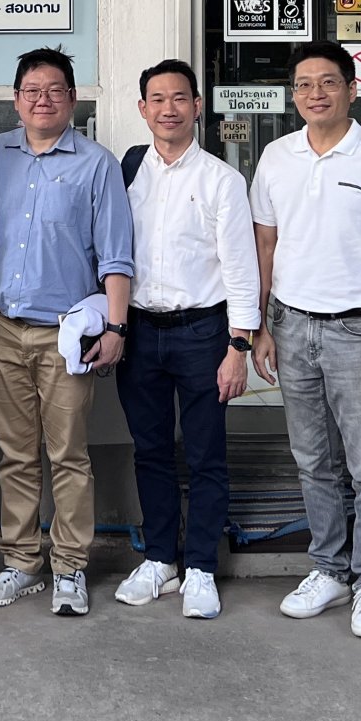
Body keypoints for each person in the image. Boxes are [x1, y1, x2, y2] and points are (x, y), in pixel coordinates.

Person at [250, 41, 361, 640]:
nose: (315, 94)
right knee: (311, 460)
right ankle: (329, 568)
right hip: (291, 323)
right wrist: (261, 325)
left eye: (328, 82)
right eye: (303, 84)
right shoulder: (276, 156)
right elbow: (266, 245)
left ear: (352, 90)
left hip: (359, 329)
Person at [0, 48, 134, 618]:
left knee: (68, 454)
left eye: (55, 90)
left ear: (72, 98)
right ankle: (21, 563)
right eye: (32, 90)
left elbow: (116, 254)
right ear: (16, 99)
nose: (43, 100)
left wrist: (116, 326)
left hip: (66, 336)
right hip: (1, 329)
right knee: (16, 455)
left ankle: (70, 568)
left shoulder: (97, 164)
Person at [113, 59, 260, 620]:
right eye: (157, 99)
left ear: (198, 106)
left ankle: (199, 565)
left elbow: (241, 268)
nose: (168, 108)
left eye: (179, 98)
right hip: (139, 331)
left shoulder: (222, 180)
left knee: (205, 454)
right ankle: (159, 559)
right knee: (150, 450)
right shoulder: (128, 172)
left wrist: (238, 347)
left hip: (202, 331)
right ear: (142, 108)